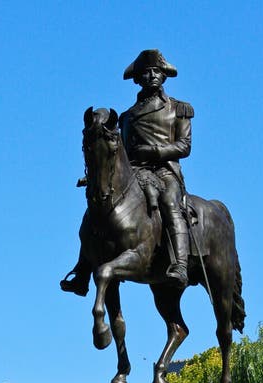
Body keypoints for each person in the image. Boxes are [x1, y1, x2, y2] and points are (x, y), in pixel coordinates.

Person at [60, 49, 194, 297]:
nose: (152, 75)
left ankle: (180, 265)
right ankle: (82, 271)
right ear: (137, 78)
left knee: (169, 202)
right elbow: (119, 156)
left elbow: (184, 147)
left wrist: (152, 151)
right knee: (97, 208)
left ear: (164, 76)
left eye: (157, 71)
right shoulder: (126, 117)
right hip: (135, 172)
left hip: (166, 171)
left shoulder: (179, 108)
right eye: (146, 72)